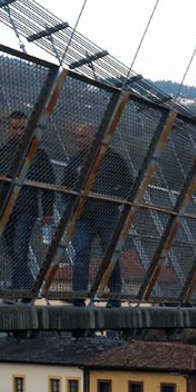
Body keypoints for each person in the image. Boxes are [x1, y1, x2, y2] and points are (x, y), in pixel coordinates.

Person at [0, 110, 54, 291]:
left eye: (22, 128)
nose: (18, 132)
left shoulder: (38, 154)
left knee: (20, 248)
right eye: (15, 128)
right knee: (9, 248)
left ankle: (17, 289)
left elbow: (49, 185)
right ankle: (28, 288)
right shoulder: (0, 153)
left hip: (27, 208)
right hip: (4, 208)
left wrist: (47, 212)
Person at [63, 123, 133, 298]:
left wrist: (113, 199)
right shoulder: (76, 160)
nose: (79, 141)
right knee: (81, 253)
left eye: (83, 137)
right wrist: (71, 208)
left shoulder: (114, 159)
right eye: (78, 137)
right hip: (82, 216)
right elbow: (66, 186)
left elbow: (128, 185)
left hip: (107, 214)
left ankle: (114, 295)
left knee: (110, 255)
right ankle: (78, 295)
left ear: (95, 138)